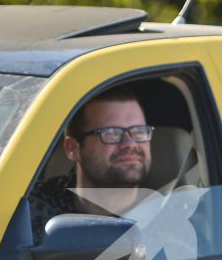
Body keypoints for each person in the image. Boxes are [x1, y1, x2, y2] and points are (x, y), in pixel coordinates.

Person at [30, 89, 157, 240]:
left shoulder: (171, 219)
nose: (130, 144)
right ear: (72, 149)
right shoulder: (34, 208)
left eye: (139, 132)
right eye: (111, 133)